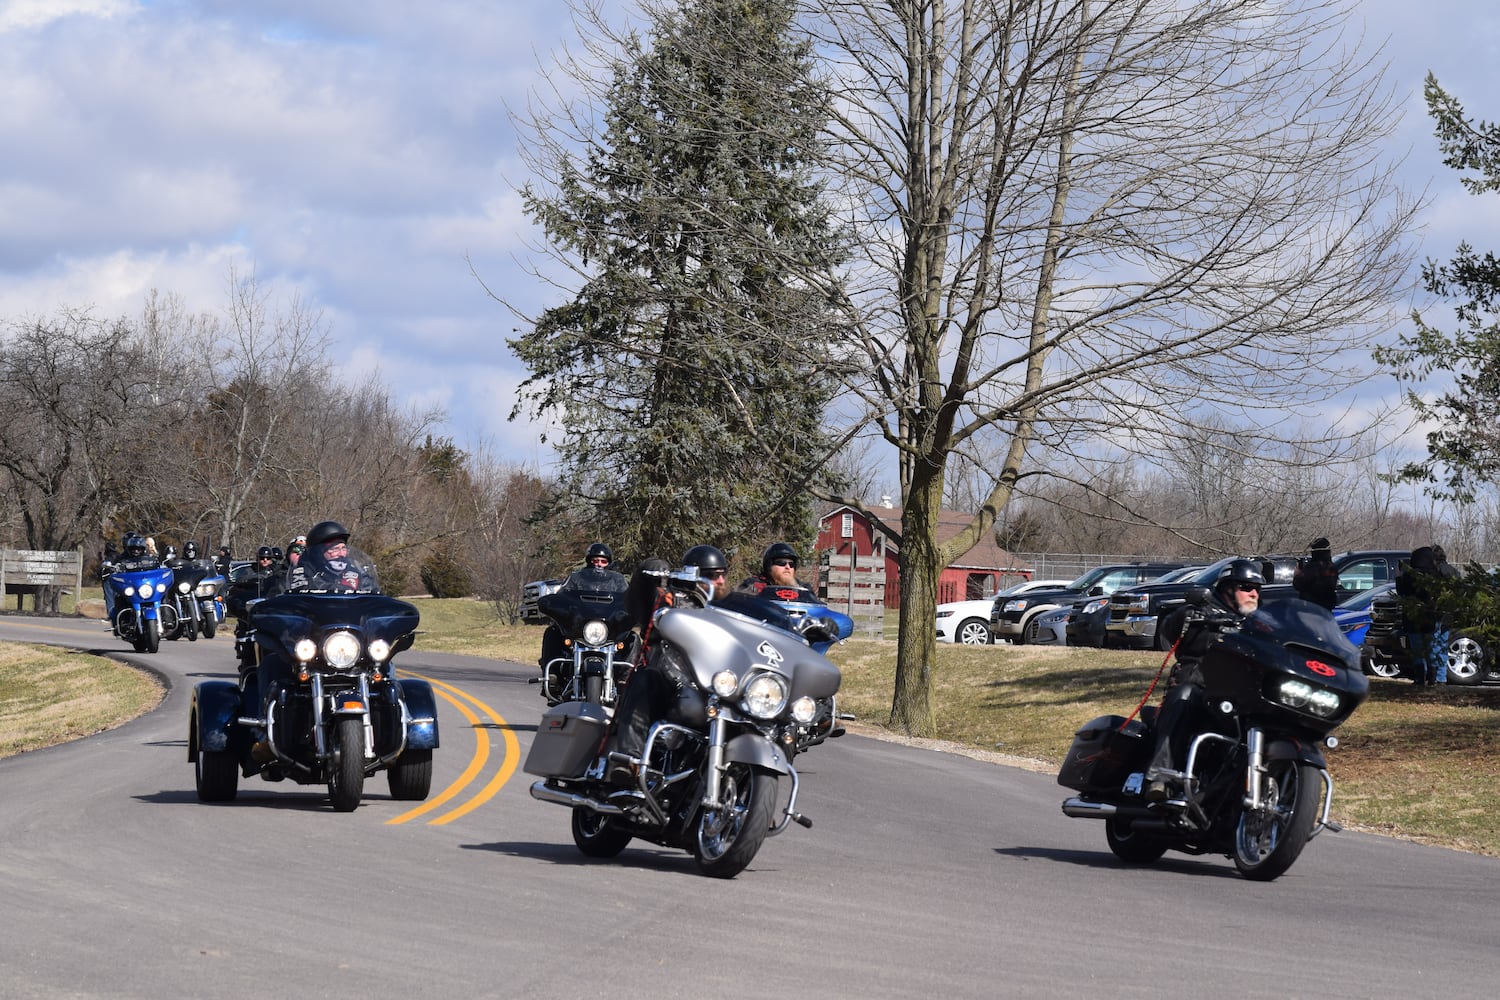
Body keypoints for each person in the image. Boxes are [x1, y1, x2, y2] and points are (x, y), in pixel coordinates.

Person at [600, 544, 728, 783]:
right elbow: (635, 604)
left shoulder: (730, 609)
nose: (719, 581)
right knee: (644, 679)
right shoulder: (670, 599)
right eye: (711, 576)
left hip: (717, 687)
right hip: (672, 681)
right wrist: (646, 573)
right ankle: (627, 760)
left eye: (722, 574)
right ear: (693, 575)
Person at [1144, 558, 1264, 803]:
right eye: (1246, 587)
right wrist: (1189, 613)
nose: (1253, 593)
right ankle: (1160, 777)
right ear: (1226, 589)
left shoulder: (1259, 624)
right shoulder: (1204, 615)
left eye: (1257, 589)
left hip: (1244, 696)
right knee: (1184, 696)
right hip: (1201, 691)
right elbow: (1170, 628)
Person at [537, 542, 630, 671]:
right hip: (579, 626)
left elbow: (627, 599)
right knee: (552, 632)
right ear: (589, 561)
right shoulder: (576, 579)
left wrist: (636, 607)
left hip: (609, 629)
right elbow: (563, 595)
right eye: (596, 560)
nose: (599, 564)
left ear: (608, 563)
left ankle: (626, 676)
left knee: (632, 638)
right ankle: (553, 673)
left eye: (603, 561)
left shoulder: (617, 581)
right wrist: (552, 602)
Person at [1397, 546, 1445, 687]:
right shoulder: (1435, 575)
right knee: (1432, 648)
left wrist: (1399, 576)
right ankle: (1432, 678)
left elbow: (1401, 592)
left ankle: (1419, 678)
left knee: (1417, 649)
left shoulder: (1410, 576)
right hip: (1431, 617)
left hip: (1412, 618)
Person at [286, 521, 374, 592]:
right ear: (319, 553)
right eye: (335, 549)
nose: (341, 554)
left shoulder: (355, 571)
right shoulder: (304, 572)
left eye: (343, 548)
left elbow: (372, 593)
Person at [737, 541, 802, 596]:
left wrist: (796, 588)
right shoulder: (753, 584)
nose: (787, 567)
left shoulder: (803, 588)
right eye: (781, 563)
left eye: (791, 564)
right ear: (769, 566)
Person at [1292, 536, 1338, 610]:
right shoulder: (1331, 567)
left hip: (1313, 607)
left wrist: (1297, 574)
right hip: (1327, 607)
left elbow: (1299, 584)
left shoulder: (1314, 567)